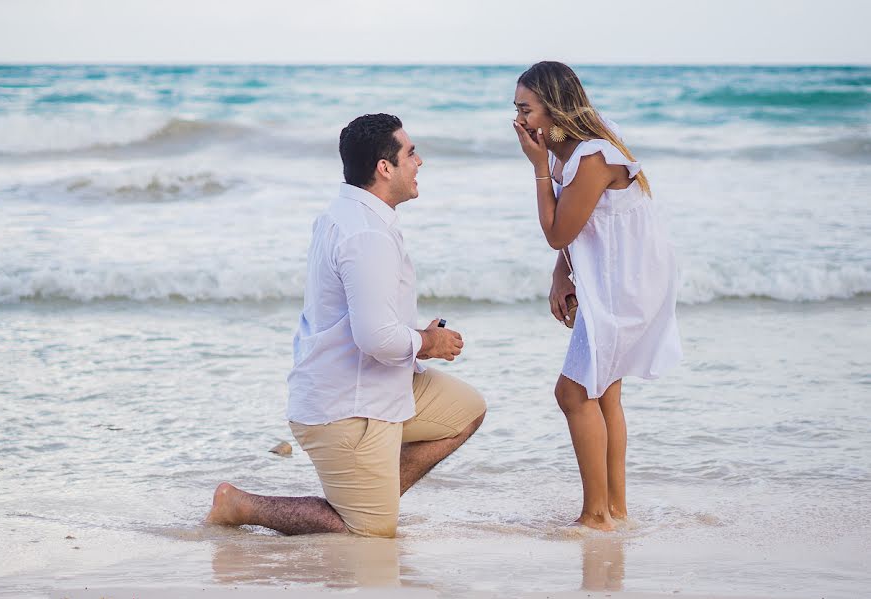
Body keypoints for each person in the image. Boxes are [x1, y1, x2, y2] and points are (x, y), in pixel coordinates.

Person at [207, 113, 486, 537]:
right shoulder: (366, 234)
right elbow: (375, 338)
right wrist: (427, 342)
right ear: (384, 167)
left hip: (380, 384)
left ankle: (373, 494)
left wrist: (415, 336)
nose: (420, 162)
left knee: (466, 410)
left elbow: (369, 319)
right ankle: (240, 504)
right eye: (411, 153)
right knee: (369, 536)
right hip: (348, 407)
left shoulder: (348, 214)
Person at [512, 61, 682, 531]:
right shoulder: (573, 149)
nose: (519, 120)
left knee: (573, 392)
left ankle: (595, 516)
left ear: (553, 106)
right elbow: (576, 230)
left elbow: (557, 229)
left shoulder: (591, 156)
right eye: (516, 109)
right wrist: (561, 275)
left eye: (526, 109)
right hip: (609, 277)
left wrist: (539, 169)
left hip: (627, 286)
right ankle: (615, 510)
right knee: (603, 392)